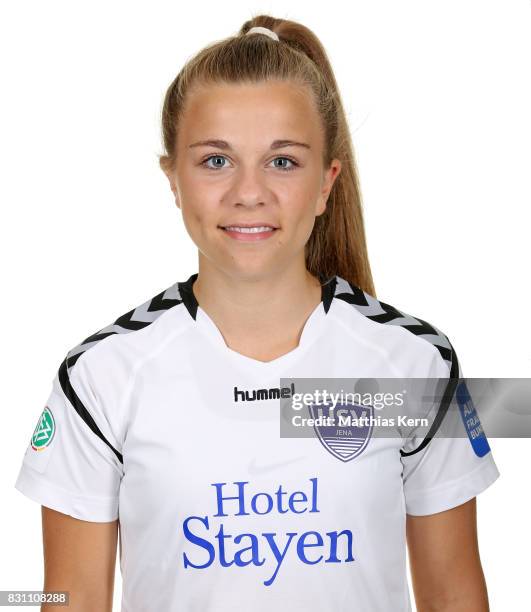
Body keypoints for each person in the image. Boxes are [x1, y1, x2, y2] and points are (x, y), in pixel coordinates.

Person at [14, 15, 500, 612]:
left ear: (327, 183)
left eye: (283, 162)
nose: (249, 192)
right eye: (215, 161)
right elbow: (70, 599)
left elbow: (454, 595)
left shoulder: (412, 364)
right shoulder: (102, 376)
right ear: (173, 178)